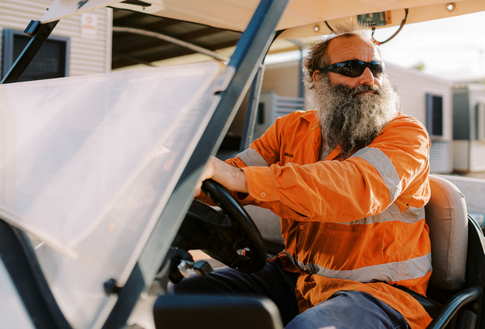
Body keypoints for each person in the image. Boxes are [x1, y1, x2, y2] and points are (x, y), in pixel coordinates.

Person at [181, 26, 433, 329]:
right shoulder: (291, 129)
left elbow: (357, 186)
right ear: (318, 78)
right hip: (298, 278)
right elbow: (229, 176)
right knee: (186, 296)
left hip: (379, 293)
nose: (369, 79)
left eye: (375, 67)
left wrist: (238, 178)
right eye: (352, 67)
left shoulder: (406, 134)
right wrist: (178, 175)